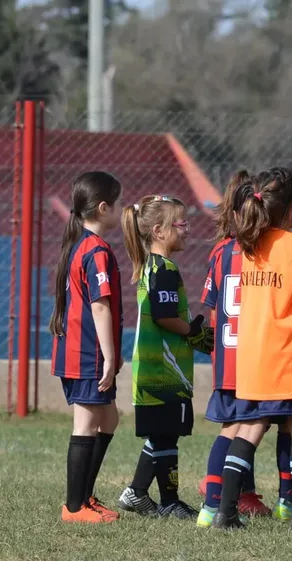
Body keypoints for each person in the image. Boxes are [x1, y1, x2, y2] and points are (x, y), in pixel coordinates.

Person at [210, 167, 292, 532]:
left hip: (251, 355)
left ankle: (225, 511)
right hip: (287, 352)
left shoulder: (248, 246)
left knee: (249, 429)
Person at [197, 170, 292, 527]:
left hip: (226, 357)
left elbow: (212, 309)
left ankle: (210, 506)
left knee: (229, 430)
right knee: (284, 423)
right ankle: (289, 501)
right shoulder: (269, 251)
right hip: (258, 358)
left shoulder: (222, 252)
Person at [117, 195, 210, 520]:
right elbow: (164, 316)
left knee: (163, 435)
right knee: (164, 435)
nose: (186, 230)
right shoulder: (163, 269)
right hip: (161, 373)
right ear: (159, 231)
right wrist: (194, 333)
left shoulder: (155, 266)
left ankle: (140, 493)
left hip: (158, 370)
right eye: (181, 224)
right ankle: (161, 498)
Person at [49, 171, 124, 524]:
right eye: (118, 203)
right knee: (87, 422)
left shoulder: (84, 245)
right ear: (104, 207)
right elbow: (99, 305)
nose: (121, 210)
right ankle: (74, 507)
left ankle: (85, 496)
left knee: (109, 416)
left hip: (84, 351)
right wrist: (109, 355)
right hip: (86, 353)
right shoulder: (94, 250)